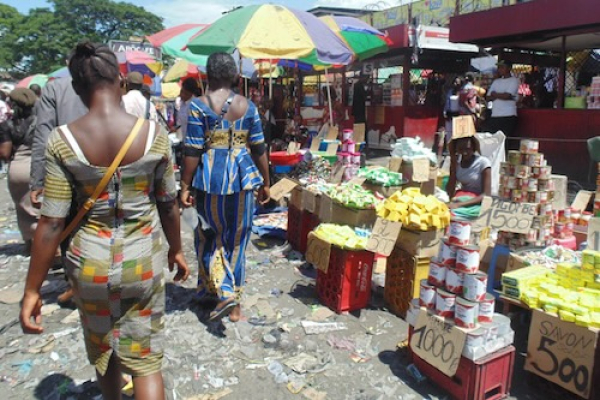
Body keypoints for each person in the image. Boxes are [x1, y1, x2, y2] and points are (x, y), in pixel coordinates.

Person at [20, 41, 189, 400]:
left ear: (78, 89)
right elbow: (169, 204)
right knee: (145, 362)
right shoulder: (153, 135)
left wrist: (33, 289)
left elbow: (51, 223)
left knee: (104, 352)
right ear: (120, 80)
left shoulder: (61, 141)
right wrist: (176, 250)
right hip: (143, 260)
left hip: (89, 266)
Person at [180, 52, 270, 322]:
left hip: (210, 179)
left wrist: (185, 185)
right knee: (237, 241)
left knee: (208, 235)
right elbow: (259, 147)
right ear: (234, 76)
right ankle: (234, 304)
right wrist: (267, 182)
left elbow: (193, 150)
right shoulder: (249, 106)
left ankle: (222, 292)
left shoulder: (198, 106)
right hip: (243, 177)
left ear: (208, 75)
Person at [0, 88, 38, 254]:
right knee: (43, 206)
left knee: (22, 208)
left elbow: (5, 153)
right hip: (40, 165)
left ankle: (30, 244)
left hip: (18, 168)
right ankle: (49, 244)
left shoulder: (7, 125)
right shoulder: (42, 120)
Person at [446, 135, 491, 220]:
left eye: (467, 149)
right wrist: (453, 164)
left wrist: (459, 204)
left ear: (473, 148)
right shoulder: (457, 163)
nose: (464, 153)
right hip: (462, 198)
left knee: (456, 215)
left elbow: (486, 195)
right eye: (461, 149)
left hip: (476, 202)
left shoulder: (483, 163)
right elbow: (450, 191)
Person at [484, 60, 519, 148]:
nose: (499, 69)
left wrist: (495, 95)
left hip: (508, 115)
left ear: (509, 68)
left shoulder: (514, 80)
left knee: (504, 141)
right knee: (492, 140)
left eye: (502, 67)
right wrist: (501, 95)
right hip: (495, 115)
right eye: (499, 67)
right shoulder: (496, 82)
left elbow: (507, 95)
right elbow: (488, 97)